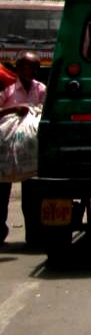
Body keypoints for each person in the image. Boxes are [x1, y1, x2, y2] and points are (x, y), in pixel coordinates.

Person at [0, 52, 46, 244]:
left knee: (32, 196)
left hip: (29, 149)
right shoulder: (7, 89)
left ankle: (34, 236)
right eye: (29, 67)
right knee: (2, 195)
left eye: (36, 68)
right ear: (18, 69)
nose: (33, 72)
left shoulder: (41, 88)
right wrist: (15, 109)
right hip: (7, 148)